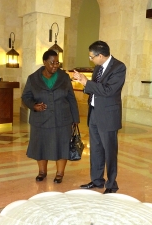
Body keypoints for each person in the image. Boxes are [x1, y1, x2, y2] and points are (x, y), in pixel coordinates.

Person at [73, 41, 126, 194]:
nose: (91, 60)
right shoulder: (98, 68)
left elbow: (109, 90)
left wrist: (86, 82)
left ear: (101, 56)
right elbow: (94, 89)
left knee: (109, 151)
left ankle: (111, 184)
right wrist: (83, 82)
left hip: (108, 116)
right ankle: (97, 180)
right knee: (95, 149)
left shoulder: (119, 67)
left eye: (92, 57)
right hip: (94, 113)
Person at [21, 50, 79, 184]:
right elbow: (25, 97)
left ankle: (60, 173)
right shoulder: (33, 78)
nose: (55, 65)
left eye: (57, 62)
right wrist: (34, 105)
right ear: (44, 62)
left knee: (62, 145)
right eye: (52, 63)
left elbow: (71, 97)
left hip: (62, 118)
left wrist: (75, 119)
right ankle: (42, 172)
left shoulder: (64, 77)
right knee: (40, 146)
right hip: (41, 119)